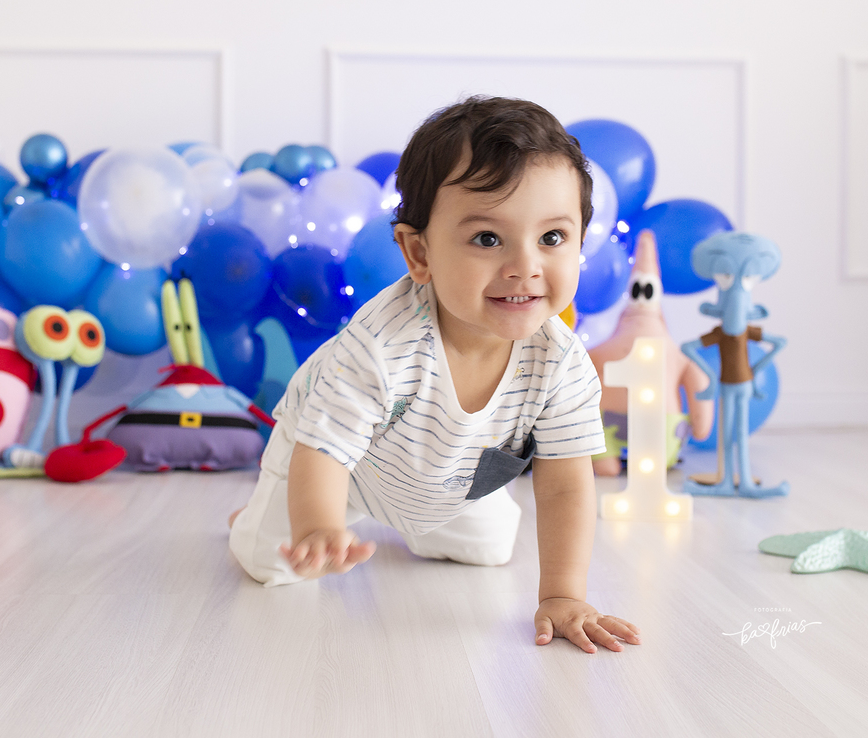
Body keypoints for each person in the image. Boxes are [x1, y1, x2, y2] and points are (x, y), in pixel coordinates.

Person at [228, 96, 641, 653]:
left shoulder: (562, 362)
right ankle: (259, 516)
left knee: (494, 548)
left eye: (552, 237)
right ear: (419, 253)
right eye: (488, 239)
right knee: (274, 566)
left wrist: (562, 594)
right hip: (334, 466)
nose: (525, 265)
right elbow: (322, 452)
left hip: (444, 481)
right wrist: (319, 525)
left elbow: (566, 481)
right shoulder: (381, 346)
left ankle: (418, 527)